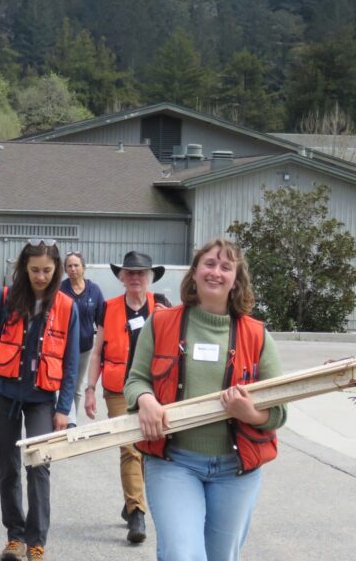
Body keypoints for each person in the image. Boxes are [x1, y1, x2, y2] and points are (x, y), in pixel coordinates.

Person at [125, 238, 287, 561]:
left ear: (236, 280)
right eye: (209, 264)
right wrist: (145, 400)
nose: (216, 272)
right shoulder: (161, 323)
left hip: (235, 471)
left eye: (226, 267)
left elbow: (279, 410)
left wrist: (250, 413)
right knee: (181, 554)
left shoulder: (257, 335)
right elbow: (135, 379)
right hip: (174, 463)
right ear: (195, 272)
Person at [0, 239, 79, 561]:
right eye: (34, 270)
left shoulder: (67, 306)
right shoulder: (6, 298)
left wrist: (63, 409)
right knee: (9, 468)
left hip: (41, 398)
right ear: (24, 269)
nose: (40, 277)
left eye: (47, 270)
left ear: (56, 270)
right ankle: (14, 537)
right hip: (4, 393)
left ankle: (36, 541)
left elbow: (71, 363)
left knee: (39, 467)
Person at [85, 251, 170, 544]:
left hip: (154, 388)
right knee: (131, 447)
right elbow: (97, 352)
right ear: (122, 278)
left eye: (140, 273)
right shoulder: (107, 308)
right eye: (130, 273)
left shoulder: (162, 305)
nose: (135, 278)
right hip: (118, 388)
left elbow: (176, 347)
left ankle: (131, 499)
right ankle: (137, 512)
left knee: (149, 447)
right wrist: (90, 389)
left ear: (149, 278)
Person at [58, 251, 104, 429]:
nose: (73, 269)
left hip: (84, 348)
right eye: (69, 266)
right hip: (62, 347)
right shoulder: (60, 290)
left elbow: (101, 320)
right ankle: (67, 421)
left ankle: (71, 422)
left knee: (76, 387)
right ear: (65, 269)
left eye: (76, 265)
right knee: (63, 384)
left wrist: (103, 347)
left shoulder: (94, 290)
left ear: (83, 268)